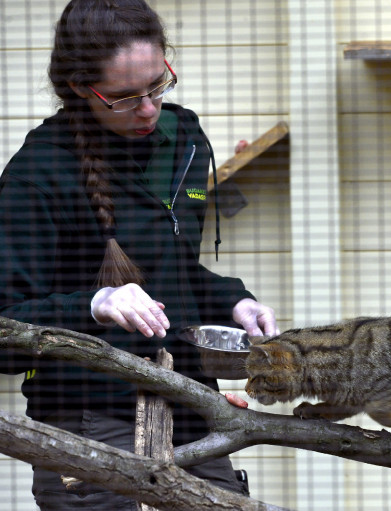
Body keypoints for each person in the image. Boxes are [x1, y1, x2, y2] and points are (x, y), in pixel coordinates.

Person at [0, 0, 277, 508]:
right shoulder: (37, 173)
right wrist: (93, 304)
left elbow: (171, 271)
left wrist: (233, 301)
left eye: (157, 85)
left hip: (188, 400)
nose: (148, 109)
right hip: (87, 418)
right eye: (125, 98)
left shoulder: (183, 139)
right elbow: (3, 329)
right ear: (82, 88)